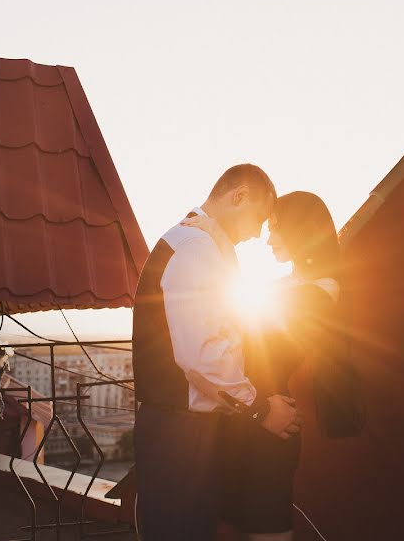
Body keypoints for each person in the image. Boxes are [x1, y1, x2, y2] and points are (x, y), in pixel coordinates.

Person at [132, 165, 303, 541]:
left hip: (183, 427)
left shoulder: (196, 244)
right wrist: (259, 407)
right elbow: (201, 354)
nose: (258, 233)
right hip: (180, 431)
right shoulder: (197, 249)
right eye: (258, 217)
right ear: (238, 197)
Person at [183, 191, 363, 541]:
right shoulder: (281, 287)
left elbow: (258, 347)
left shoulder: (323, 289)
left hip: (268, 427)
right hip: (246, 417)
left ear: (300, 230)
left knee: (268, 529)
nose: (267, 238)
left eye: (276, 227)